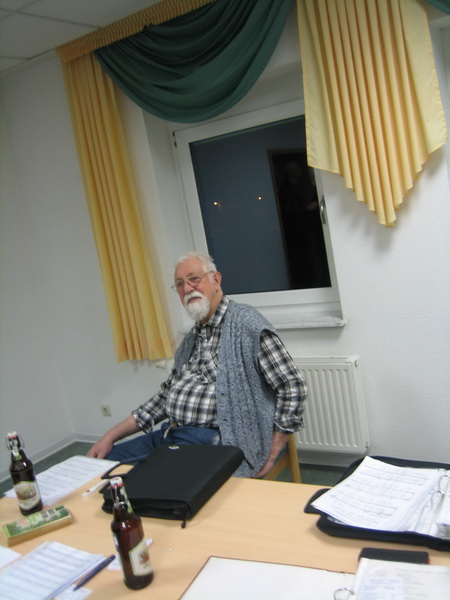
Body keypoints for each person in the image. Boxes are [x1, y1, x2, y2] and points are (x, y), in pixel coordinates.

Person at [88, 251, 307, 477]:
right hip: (170, 434)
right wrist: (110, 436)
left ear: (216, 280)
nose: (187, 288)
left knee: (142, 480)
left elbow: (292, 385)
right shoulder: (190, 341)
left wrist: (275, 446)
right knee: (100, 466)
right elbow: (164, 398)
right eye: (180, 284)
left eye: (194, 279)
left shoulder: (246, 324)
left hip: (215, 441)